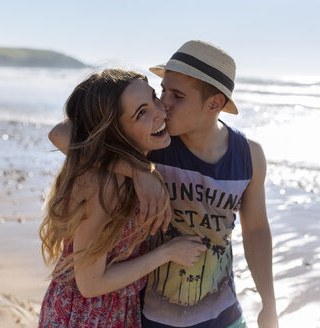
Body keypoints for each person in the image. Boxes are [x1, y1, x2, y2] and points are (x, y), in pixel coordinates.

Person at [50, 41, 279, 328]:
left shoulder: (249, 155)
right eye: (163, 91)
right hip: (152, 316)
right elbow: (62, 133)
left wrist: (268, 304)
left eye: (177, 96)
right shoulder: (153, 145)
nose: (164, 104)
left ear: (214, 103)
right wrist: (139, 171)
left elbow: (256, 230)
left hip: (224, 314)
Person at [39, 68, 207, 328]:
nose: (161, 113)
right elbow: (90, 284)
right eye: (141, 113)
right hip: (86, 318)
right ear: (114, 129)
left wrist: (140, 170)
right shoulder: (105, 185)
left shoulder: (132, 162)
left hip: (116, 311)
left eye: (154, 97)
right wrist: (169, 252)